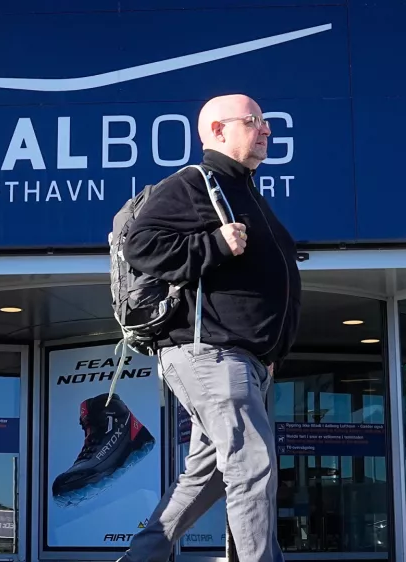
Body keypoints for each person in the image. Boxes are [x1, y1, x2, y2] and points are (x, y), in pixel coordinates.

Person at [117, 94, 301, 562]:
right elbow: (142, 245)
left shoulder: (247, 191)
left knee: (210, 475)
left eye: (266, 122)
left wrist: (272, 348)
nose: (266, 131)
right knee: (251, 464)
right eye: (254, 121)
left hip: (245, 362)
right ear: (218, 131)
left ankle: (141, 557)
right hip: (212, 354)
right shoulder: (195, 183)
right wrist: (216, 243)